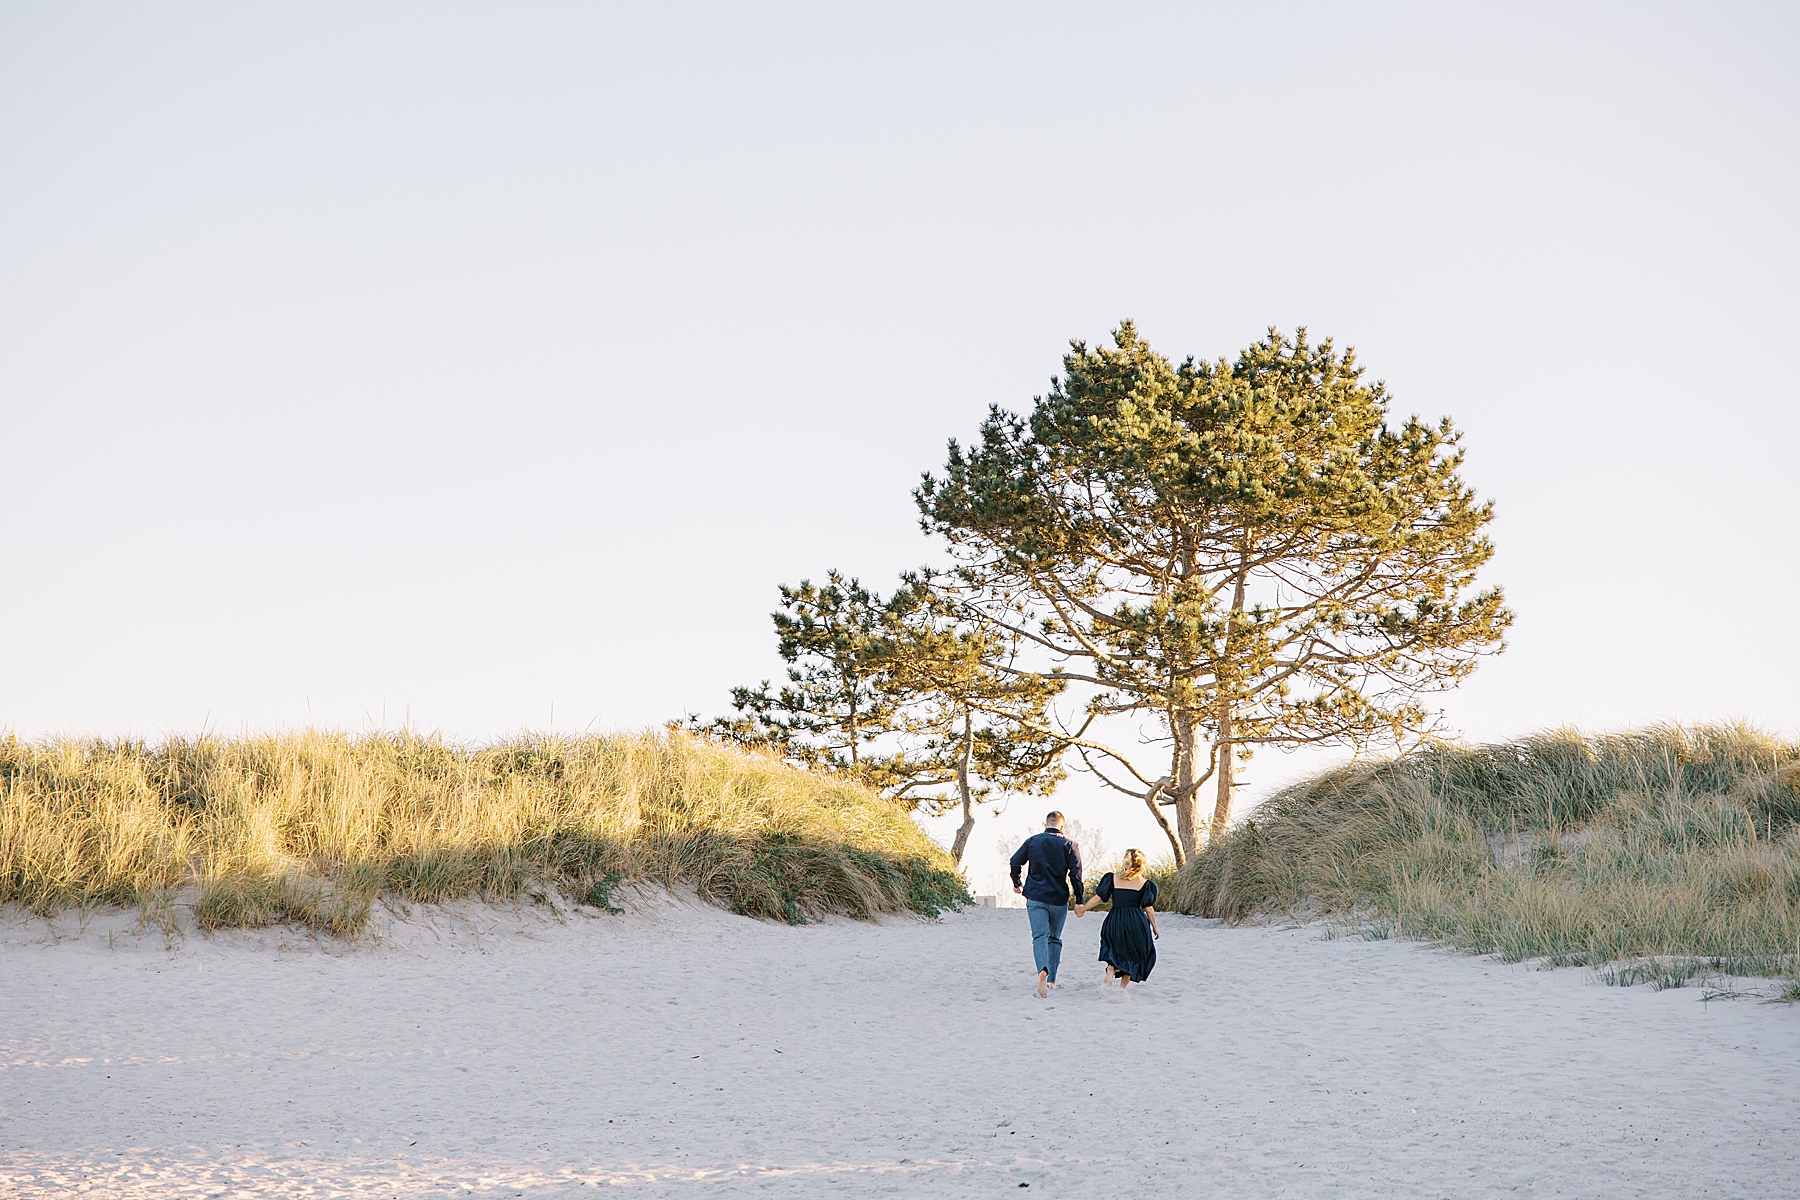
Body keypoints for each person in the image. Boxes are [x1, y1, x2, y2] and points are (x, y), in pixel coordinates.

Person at [1009, 811, 1084, 998]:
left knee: (1039, 937)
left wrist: (1017, 883)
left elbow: (1014, 862)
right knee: (1054, 938)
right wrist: (1079, 900)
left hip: (1035, 896)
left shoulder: (1033, 841)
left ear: (1045, 824)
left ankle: (1042, 970)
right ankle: (1051, 980)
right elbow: (1075, 875)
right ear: (1062, 827)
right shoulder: (1070, 845)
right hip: (1058, 898)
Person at [1074, 847, 1159, 988]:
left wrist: (1082, 909)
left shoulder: (1112, 878)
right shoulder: (1145, 884)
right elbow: (1148, 908)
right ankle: (1121, 989)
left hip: (1115, 919)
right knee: (1134, 954)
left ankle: (1111, 967)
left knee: (1114, 948)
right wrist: (1155, 927)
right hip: (1135, 922)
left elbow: (1098, 898)